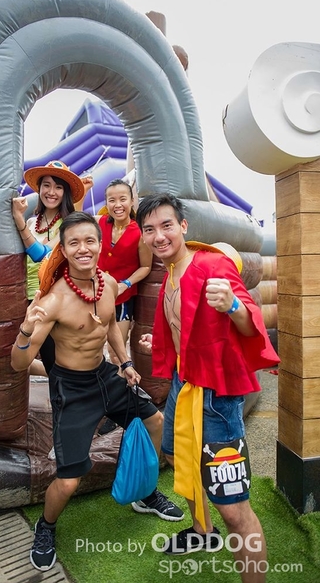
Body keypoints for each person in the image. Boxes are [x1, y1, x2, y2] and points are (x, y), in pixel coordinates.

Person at [10, 211, 184, 572]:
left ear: (100, 245)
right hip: (72, 389)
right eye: (74, 242)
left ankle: (145, 492)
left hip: (106, 376)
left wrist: (125, 362)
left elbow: (110, 328)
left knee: (155, 421)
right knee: (69, 481)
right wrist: (26, 331)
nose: (83, 248)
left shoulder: (108, 284)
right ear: (64, 249)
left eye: (89, 240)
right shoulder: (53, 301)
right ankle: (46, 526)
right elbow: (18, 363)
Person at [136, 193, 279, 582]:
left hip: (217, 396)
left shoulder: (212, 264)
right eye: (150, 229)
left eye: (166, 225)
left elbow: (250, 322)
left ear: (183, 226)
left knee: (234, 510)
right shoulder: (169, 275)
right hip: (183, 384)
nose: (159, 235)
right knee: (176, 456)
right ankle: (203, 532)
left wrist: (232, 304)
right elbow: (187, 328)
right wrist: (161, 343)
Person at [12, 160, 92, 375]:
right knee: (46, 360)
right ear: (39, 189)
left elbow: (43, 255)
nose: (51, 192)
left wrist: (18, 219)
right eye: (46, 185)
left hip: (57, 299)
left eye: (58, 187)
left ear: (65, 193)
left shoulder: (69, 224)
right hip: (30, 298)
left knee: (59, 360)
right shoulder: (32, 222)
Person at [96, 179, 152, 364]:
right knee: (91, 347)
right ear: (106, 203)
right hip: (96, 294)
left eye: (122, 199)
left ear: (132, 201)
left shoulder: (140, 233)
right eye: (112, 200)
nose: (117, 205)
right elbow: (76, 218)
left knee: (116, 353)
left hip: (122, 299)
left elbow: (146, 267)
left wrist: (125, 284)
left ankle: (121, 381)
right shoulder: (99, 223)